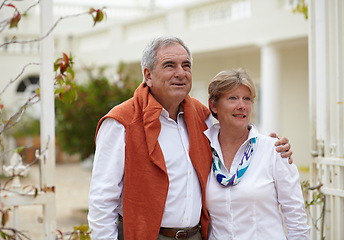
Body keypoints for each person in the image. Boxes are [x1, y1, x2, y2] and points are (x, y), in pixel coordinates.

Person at [87, 36, 293, 240]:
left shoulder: (201, 116)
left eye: (186, 66)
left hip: (196, 235)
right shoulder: (120, 122)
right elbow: (102, 200)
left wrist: (270, 146)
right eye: (170, 65)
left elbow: (232, 136)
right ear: (148, 75)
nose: (181, 73)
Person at [204, 68, 310, 239]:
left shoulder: (274, 150)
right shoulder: (204, 151)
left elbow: (295, 217)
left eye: (247, 99)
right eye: (233, 98)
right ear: (213, 105)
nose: (242, 106)